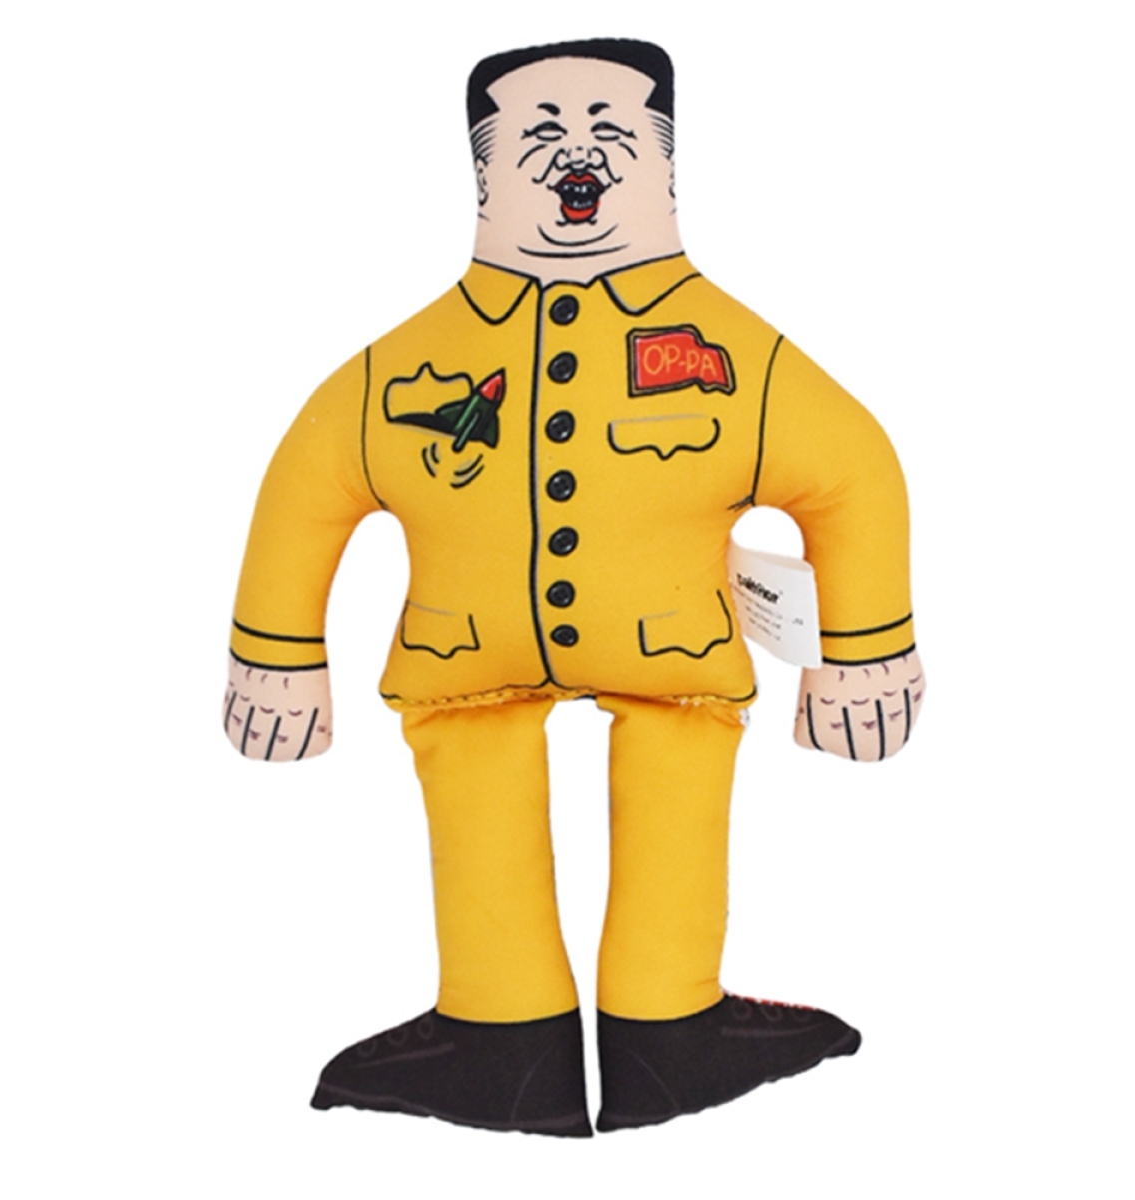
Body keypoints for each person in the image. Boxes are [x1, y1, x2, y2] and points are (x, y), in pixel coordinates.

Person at [224, 38, 925, 1135]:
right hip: (467, 659)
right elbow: (307, 482)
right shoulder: (401, 366)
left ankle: (668, 1032)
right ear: (483, 170)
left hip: (672, 656)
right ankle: (501, 1039)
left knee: (679, 760)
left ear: (666, 161)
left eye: (611, 131)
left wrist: (867, 646)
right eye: (540, 133)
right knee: (475, 762)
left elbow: (853, 471)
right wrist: (276, 653)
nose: (577, 157)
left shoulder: (734, 355)